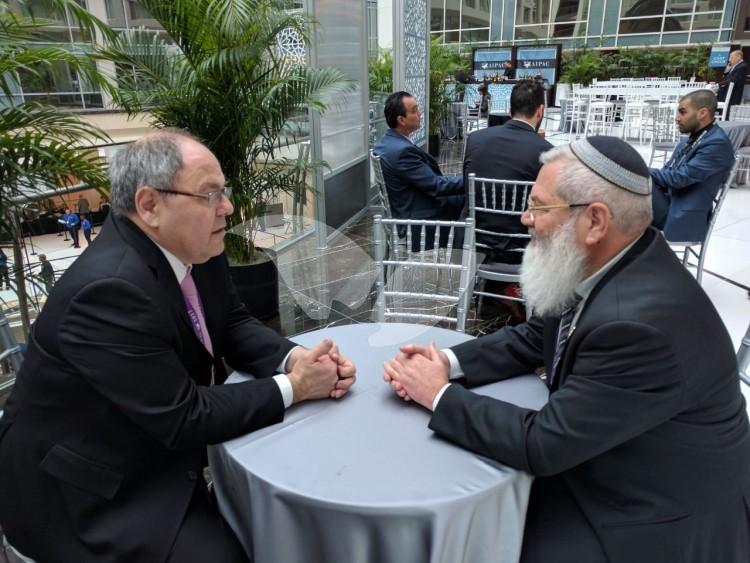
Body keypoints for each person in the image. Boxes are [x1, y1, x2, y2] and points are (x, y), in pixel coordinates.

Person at [383, 136, 750, 563]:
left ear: (595, 221)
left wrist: (437, 394)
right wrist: (446, 362)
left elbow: (544, 444)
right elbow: (536, 337)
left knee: (482, 541)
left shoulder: (640, 326)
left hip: (653, 514)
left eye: (539, 206)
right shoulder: (611, 260)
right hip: (610, 459)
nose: (525, 218)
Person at [0, 129, 357, 563]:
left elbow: (233, 321)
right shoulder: (107, 291)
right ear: (150, 205)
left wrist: (294, 357)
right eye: (210, 195)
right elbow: (185, 416)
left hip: (158, 442)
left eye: (224, 192)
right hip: (93, 492)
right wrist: (297, 387)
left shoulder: (195, 244)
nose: (227, 207)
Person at [463, 79, 552, 264]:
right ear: (540, 111)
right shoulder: (548, 152)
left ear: (509, 111)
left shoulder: (475, 139)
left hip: (476, 241)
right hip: (522, 247)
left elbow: (466, 187)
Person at [373, 91, 464, 241]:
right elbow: (437, 186)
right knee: (473, 200)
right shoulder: (403, 151)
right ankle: (473, 253)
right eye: (414, 111)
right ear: (401, 120)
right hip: (417, 221)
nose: (420, 113)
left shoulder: (386, 143)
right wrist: (470, 180)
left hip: (406, 208)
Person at [650, 89, 735, 242]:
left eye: (682, 112)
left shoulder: (716, 143)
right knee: (626, 186)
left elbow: (679, 179)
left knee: (628, 184)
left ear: (702, 113)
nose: (677, 118)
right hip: (668, 201)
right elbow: (667, 173)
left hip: (679, 215)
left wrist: (639, 168)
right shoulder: (691, 139)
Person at [718, 49, 747, 116]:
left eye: (731, 57)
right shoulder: (734, 66)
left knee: (727, 113)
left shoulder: (742, 66)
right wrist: (727, 69)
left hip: (733, 94)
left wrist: (719, 84)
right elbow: (726, 77)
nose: (729, 59)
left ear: (738, 57)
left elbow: (734, 80)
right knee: (723, 112)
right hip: (726, 93)